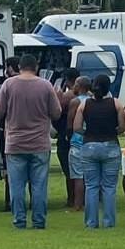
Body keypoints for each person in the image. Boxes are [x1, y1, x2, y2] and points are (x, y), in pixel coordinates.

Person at [0, 54, 62, 229]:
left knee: (16, 186)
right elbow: (57, 113)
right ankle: (39, 221)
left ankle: (19, 220)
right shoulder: (45, 86)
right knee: (39, 186)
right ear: (36, 66)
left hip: (15, 144)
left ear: (20, 67)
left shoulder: (8, 85)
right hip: (39, 144)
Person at [74, 75, 125, 228]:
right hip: (110, 145)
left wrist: (87, 133)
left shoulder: (84, 104)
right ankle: (109, 222)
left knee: (91, 185)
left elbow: (76, 127)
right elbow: (122, 127)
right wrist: (114, 131)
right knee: (109, 187)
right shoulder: (116, 104)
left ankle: (91, 222)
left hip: (89, 146)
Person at [0, 56, 20, 211]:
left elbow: (0, 111)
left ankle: (10, 203)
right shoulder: (38, 83)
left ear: (10, 67)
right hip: (35, 138)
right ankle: (35, 204)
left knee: (10, 172)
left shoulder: (6, 85)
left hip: (10, 134)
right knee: (34, 176)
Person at [65, 76, 92, 211]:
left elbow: (70, 123)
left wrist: (67, 136)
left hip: (77, 141)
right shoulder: (93, 100)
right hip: (91, 140)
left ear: (80, 86)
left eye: (75, 84)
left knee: (78, 176)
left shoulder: (75, 102)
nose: (73, 87)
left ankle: (77, 205)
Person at [54, 68, 80, 207]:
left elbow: (56, 113)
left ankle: (72, 198)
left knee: (69, 170)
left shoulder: (66, 97)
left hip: (67, 136)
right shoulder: (89, 95)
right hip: (83, 136)